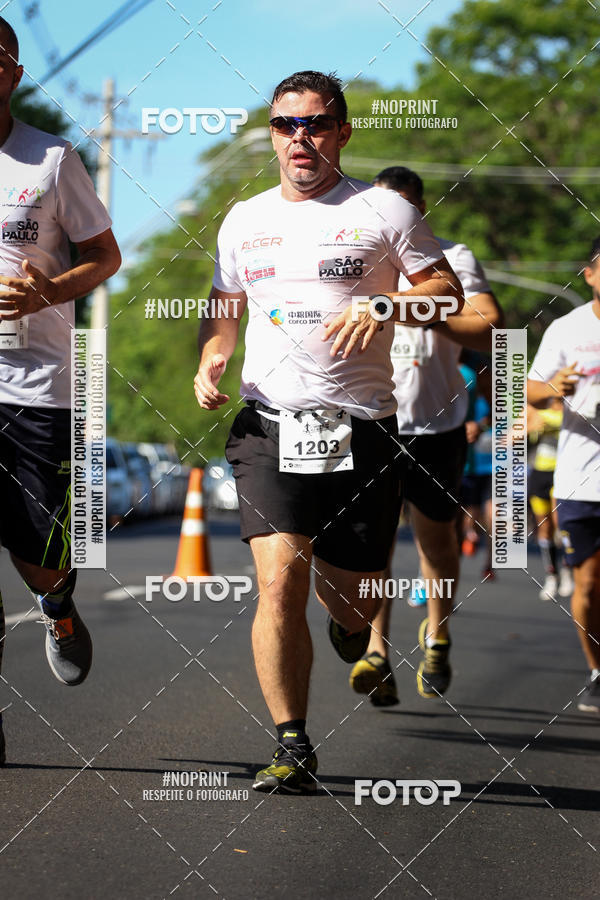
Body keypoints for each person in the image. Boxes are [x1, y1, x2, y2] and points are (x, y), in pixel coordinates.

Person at [194, 72, 463, 792]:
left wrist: (383, 303)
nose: (299, 138)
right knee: (277, 585)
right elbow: (226, 304)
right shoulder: (243, 218)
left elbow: (446, 293)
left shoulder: (385, 211)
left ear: (342, 132)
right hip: (268, 426)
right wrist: (214, 352)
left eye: (314, 124)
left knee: (350, 599)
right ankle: (292, 745)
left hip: (364, 433)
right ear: (272, 135)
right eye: (285, 125)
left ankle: (353, 625)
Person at [0, 18, 121, 764]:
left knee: (36, 547)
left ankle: (58, 605)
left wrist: (51, 292)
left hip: (35, 386)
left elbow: (103, 255)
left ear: (9, 71)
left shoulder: (48, 159)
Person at [349, 167, 503, 707]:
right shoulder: (356, 256)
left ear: (420, 210)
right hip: (371, 421)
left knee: (435, 544)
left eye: (404, 208)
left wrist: (422, 307)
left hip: (435, 426)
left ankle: (436, 635)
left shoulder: (450, 259)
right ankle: (376, 650)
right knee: (375, 545)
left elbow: (489, 326)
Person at [528, 237, 600, 714]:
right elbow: (527, 388)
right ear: (590, 274)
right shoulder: (566, 328)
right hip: (582, 478)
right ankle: (597, 670)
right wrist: (555, 386)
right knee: (590, 584)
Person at [527, 400, 574, 600]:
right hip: (539, 473)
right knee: (544, 528)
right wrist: (530, 428)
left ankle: (566, 570)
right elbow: (510, 439)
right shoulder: (534, 410)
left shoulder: (573, 409)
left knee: (560, 525)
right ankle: (551, 575)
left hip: (563, 473)